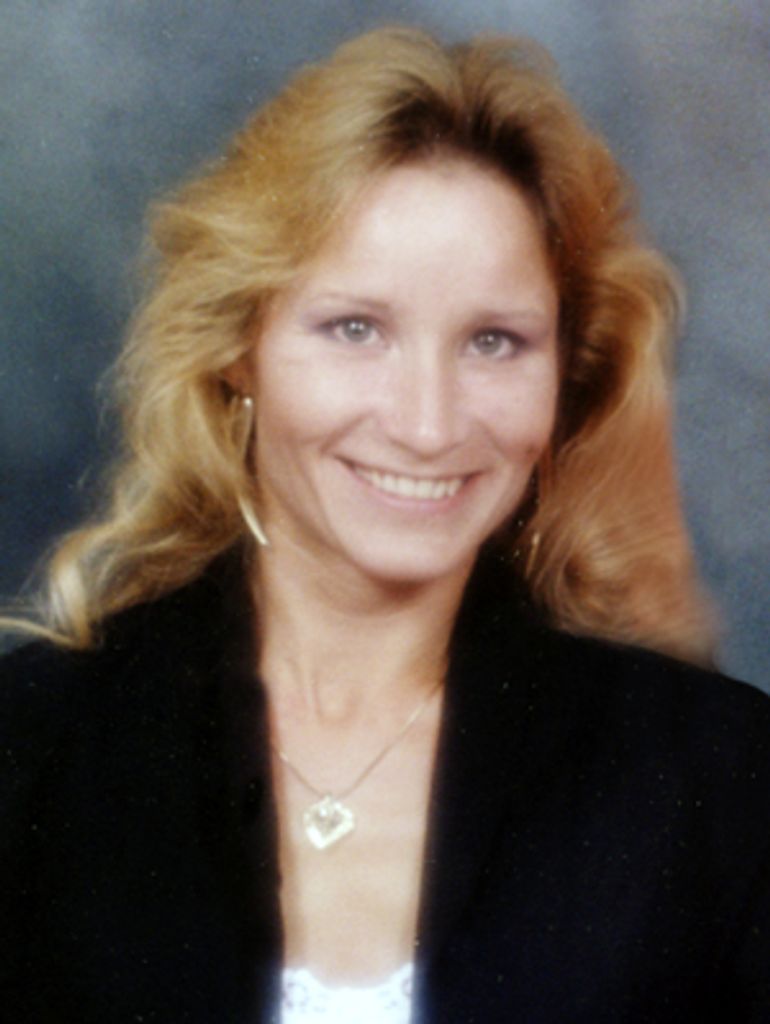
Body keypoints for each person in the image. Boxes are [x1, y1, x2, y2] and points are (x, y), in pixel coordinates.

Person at [1, 25, 768, 1024]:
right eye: (355, 328)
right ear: (238, 347)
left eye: (493, 341)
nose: (427, 423)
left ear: (565, 375)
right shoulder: (31, 746)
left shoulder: (721, 774)